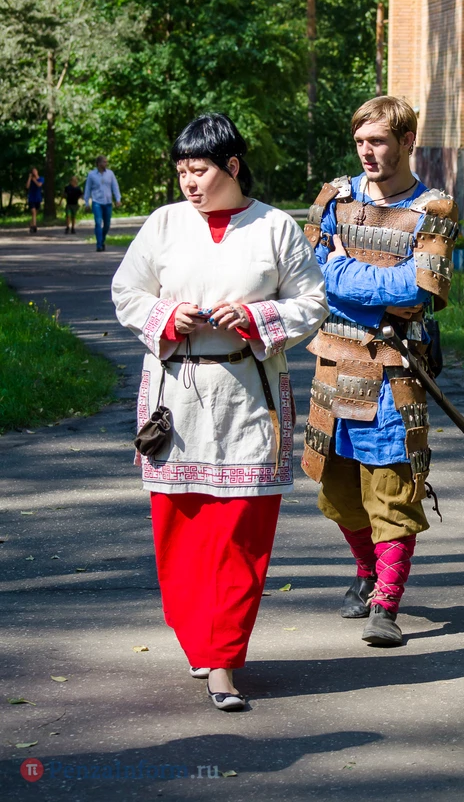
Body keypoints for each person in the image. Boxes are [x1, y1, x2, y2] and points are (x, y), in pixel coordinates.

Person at [111, 113, 327, 712]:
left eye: (199, 170)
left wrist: (256, 317)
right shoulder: (163, 224)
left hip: (248, 396)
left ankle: (224, 661)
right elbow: (127, 292)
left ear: (232, 166)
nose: (189, 182)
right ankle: (200, 643)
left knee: (240, 536)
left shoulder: (275, 227)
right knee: (179, 535)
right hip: (175, 399)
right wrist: (166, 316)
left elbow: (312, 301)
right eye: (182, 171)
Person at [301, 95, 458, 648]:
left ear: (407, 142)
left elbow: (419, 291)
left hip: (394, 369)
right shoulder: (333, 199)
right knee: (339, 488)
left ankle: (386, 605)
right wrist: (366, 285)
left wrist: (342, 270)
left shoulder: (434, 209)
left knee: (391, 488)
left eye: (379, 141)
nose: (367, 152)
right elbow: (308, 278)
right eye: (360, 142)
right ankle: (367, 572)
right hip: (334, 362)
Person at [84, 155, 121, 252]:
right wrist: (86, 202)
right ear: (99, 163)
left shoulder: (110, 174)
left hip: (108, 202)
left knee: (107, 224)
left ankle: (102, 239)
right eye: (104, 162)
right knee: (98, 223)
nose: (106, 164)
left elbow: (115, 187)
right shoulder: (92, 175)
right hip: (97, 202)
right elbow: (87, 189)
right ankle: (99, 244)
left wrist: (118, 199)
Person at [26, 168, 44, 234]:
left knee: (35, 213)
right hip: (31, 198)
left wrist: (34, 180)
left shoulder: (41, 178)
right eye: (33, 172)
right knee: (33, 212)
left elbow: (39, 185)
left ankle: (31, 225)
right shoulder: (30, 179)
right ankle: (34, 226)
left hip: (38, 198)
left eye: (35, 171)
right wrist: (29, 178)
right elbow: (27, 186)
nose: (34, 172)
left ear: (37, 172)